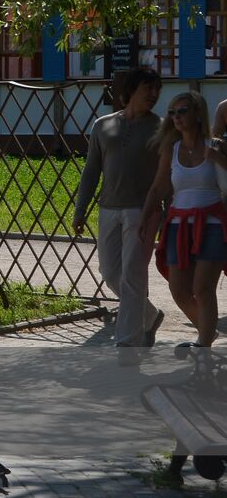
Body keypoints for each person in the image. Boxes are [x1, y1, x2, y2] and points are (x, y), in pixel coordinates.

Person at [72, 66, 165, 356]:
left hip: (143, 210)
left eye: (156, 89)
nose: (153, 94)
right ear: (130, 92)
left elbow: (167, 176)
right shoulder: (104, 125)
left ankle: (127, 343)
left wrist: (169, 212)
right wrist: (80, 208)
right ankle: (148, 316)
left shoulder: (161, 128)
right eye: (147, 88)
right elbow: (91, 170)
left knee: (133, 275)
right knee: (110, 271)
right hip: (108, 207)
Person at [139, 91, 227, 351]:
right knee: (178, 289)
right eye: (172, 113)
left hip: (211, 223)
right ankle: (207, 332)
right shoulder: (172, 148)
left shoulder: (216, 145)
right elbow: (157, 188)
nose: (176, 117)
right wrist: (145, 218)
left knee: (203, 287)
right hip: (178, 225)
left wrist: (218, 158)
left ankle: (203, 345)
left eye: (183, 111)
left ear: (198, 114)